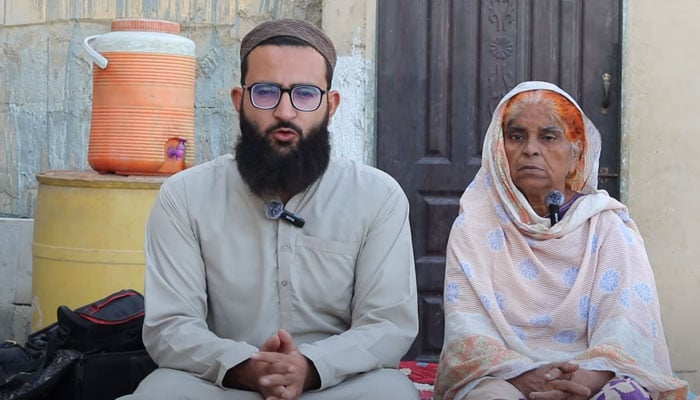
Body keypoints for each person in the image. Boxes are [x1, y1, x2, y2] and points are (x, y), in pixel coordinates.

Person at [119, 19, 419, 400]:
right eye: (266, 92)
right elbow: (170, 327)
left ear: (331, 105)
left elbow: (387, 325)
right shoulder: (185, 195)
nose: (285, 112)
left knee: (391, 393)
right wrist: (244, 366)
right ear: (239, 101)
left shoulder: (378, 196)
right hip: (221, 382)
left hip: (337, 384)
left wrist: (310, 367)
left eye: (306, 95)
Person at [434, 81, 689, 400]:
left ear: (576, 151)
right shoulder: (475, 225)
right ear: (500, 149)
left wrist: (583, 380)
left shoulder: (606, 225)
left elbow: (625, 324)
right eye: (517, 136)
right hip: (505, 376)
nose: (530, 149)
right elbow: (469, 331)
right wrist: (527, 378)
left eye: (548, 136)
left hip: (592, 374)